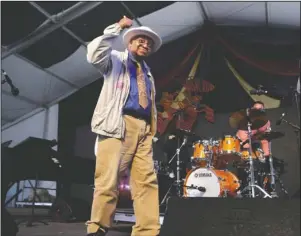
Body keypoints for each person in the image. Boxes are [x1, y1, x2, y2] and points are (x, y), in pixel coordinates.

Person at [85, 16, 162, 236]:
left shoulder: (147, 72)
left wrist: (150, 129)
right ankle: (97, 227)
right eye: (140, 40)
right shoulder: (116, 60)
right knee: (108, 178)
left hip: (144, 129)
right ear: (129, 42)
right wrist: (117, 28)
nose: (145, 44)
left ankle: (148, 230)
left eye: (149, 43)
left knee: (147, 181)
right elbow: (93, 54)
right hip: (118, 124)